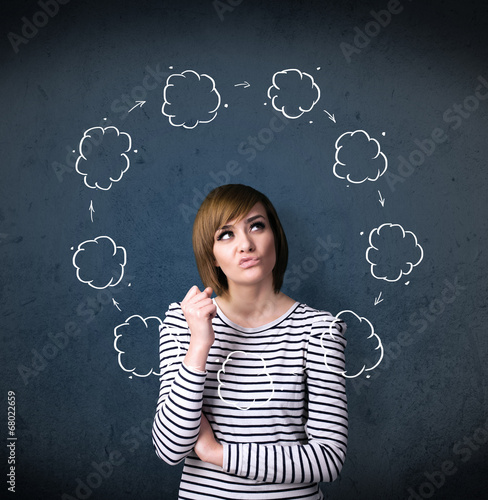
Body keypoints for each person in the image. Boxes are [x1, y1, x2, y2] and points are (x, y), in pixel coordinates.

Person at [152, 184, 348, 499]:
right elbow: (170, 448)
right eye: (225, 234)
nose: (245, 244)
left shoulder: (319, 330)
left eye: (256, 226)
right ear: (211, 255)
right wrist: (199, 345)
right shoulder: (183, 322)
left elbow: (328, 460)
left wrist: (217, 453)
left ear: (275, 237)